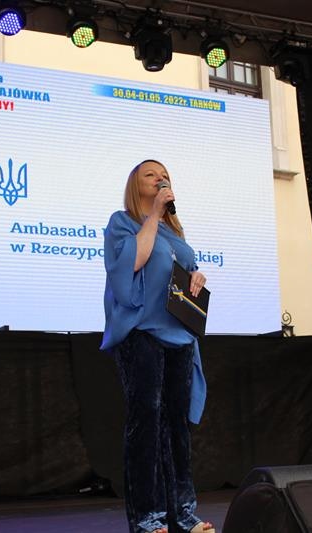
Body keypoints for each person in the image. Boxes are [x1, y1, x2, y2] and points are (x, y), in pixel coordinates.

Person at [101, 160, 214, 533]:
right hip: (142, 333)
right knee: (146, 421)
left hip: (179, 335)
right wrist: (152, 215)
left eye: (164, 174)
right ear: (135, 185)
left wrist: (197, 276)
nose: (160, 178)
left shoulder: (175, 232)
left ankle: (182, 513)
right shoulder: (124, 222)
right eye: (150, 174)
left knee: (176, 426)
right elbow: (132, 262)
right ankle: (147, 517)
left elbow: (184, 270)